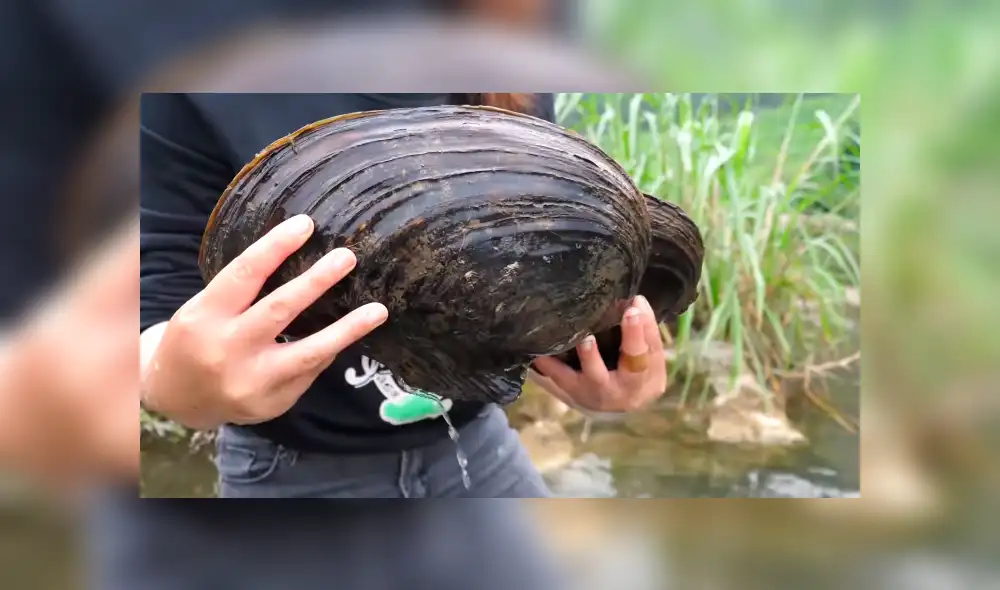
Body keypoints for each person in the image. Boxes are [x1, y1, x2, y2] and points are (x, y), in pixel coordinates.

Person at [139, 92, 669, 499]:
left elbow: (521, 259)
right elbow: (153, 298)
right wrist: (173, 383)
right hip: (292, 468)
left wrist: (597, 357)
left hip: (478, 446)